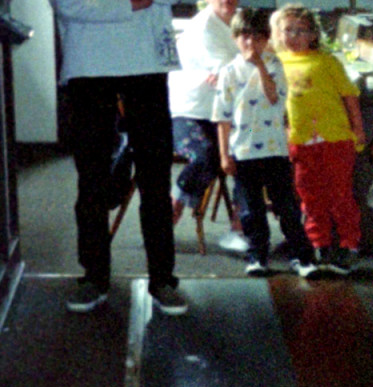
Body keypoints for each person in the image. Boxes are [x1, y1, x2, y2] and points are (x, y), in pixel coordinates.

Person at [51, 0, 189, 315]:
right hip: (88, 67)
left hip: (147, 67)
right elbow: (71, 6)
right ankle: (94, 277)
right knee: (92, 181)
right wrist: (134, 4)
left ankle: (163, 279)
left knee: (155, 181)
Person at [213, 8, 317, 278]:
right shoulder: (229, 72)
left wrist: (259, 65)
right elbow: (222, 117)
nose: (250, 43)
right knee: (251, 210)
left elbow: (274, 98)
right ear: (235, 38)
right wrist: (224, 154)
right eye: (244, 37)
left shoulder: (274, 65)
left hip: (274, 150)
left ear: (266, 39)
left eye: (257, 38)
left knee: (286, 207)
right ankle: (257, 255)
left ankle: (302, 256)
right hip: (242, 151)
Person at [272, 4, 365, 276]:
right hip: (300, 141)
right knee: (310, 196)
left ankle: (349, 246)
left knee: (340, 195)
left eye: (301, 31)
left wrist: (358, 129)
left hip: (335, 139)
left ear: (313, 34)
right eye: (288, 30)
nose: (294, 36)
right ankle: (318, 244)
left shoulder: (327, 62)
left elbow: (349, 96)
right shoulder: (277, 64)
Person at [167, 0, 246, 254]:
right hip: (189, 111)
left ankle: (240, 229)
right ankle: (172, 208)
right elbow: (239, 70)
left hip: (227, 113)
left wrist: (233, 70)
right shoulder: (204, 27)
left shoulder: (242, 20)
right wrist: (236, 68)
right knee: (207, 155)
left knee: (251, 154)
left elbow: (247, 66)